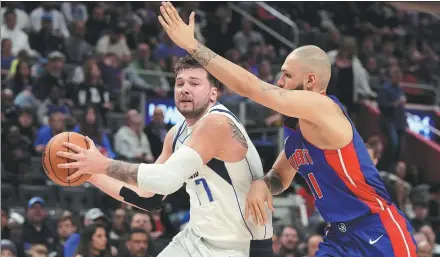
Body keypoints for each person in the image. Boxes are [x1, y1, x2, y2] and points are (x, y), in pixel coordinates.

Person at [154, 2, 417, 257]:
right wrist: (263, 183)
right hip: (339, 235)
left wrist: (192, 46)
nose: (279, 81)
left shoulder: (324, 108)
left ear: (310, 81)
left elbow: (252, 88)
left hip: (377, 229)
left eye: (287, 76)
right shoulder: (295, 131)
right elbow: (280, 176)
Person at [56, 56, 273, 257]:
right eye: (180, 83)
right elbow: (148, 196)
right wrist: (91, 174)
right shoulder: (175, 134)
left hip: (240, 247)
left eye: (194, 83)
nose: (185, 89)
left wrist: (103, 164)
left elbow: (166, 179)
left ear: (213, 93)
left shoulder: (218, 123)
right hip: (196, 239)